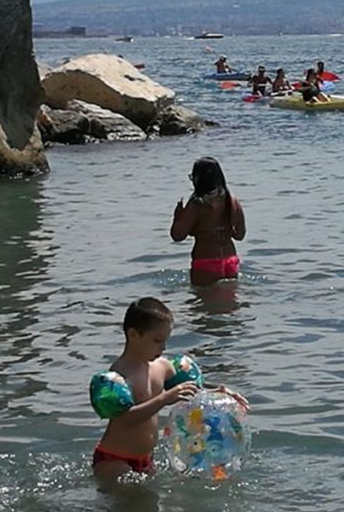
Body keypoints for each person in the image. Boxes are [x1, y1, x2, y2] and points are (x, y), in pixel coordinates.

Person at [91, 297, 248, 483]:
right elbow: (125, 420)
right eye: (157, 340)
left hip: (146, 459)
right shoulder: (120, 375)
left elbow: (189, 390)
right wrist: (164, 399)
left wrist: (219, 392)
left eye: (165, 340)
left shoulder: (161, 366)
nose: (163, 347)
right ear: (133, 334)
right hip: (114, 459)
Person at [170, 157, 246, 287]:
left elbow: (177, 235)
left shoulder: (197, 204)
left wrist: (177, 216)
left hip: (206, 262)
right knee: (229, 305)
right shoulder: (231, 200)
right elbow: (240, 235)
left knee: (202, 304)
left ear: (198, 179)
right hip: (230, 261)